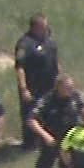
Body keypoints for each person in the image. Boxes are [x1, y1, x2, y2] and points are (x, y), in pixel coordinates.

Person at [25, 74, 84, 168]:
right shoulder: (47, 100)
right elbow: (31, 120)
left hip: (69, 143)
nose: (71, 90)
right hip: (50, 143)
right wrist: (45, 136)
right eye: (67, 87)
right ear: (59, 87)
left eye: (72, 87)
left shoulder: (75, 98)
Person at [14, 14, 59, 149]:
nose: (46, 28)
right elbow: (19, 67)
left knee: (48, 112)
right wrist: (23, 88)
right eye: (43, 26)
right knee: (31, 113)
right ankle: (29, 144)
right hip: (33, 86)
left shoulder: (49, 41)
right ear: (36, 27)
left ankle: (45, 140)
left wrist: (60, 78)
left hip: (49, 85)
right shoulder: (25, 43)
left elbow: (55, 61)